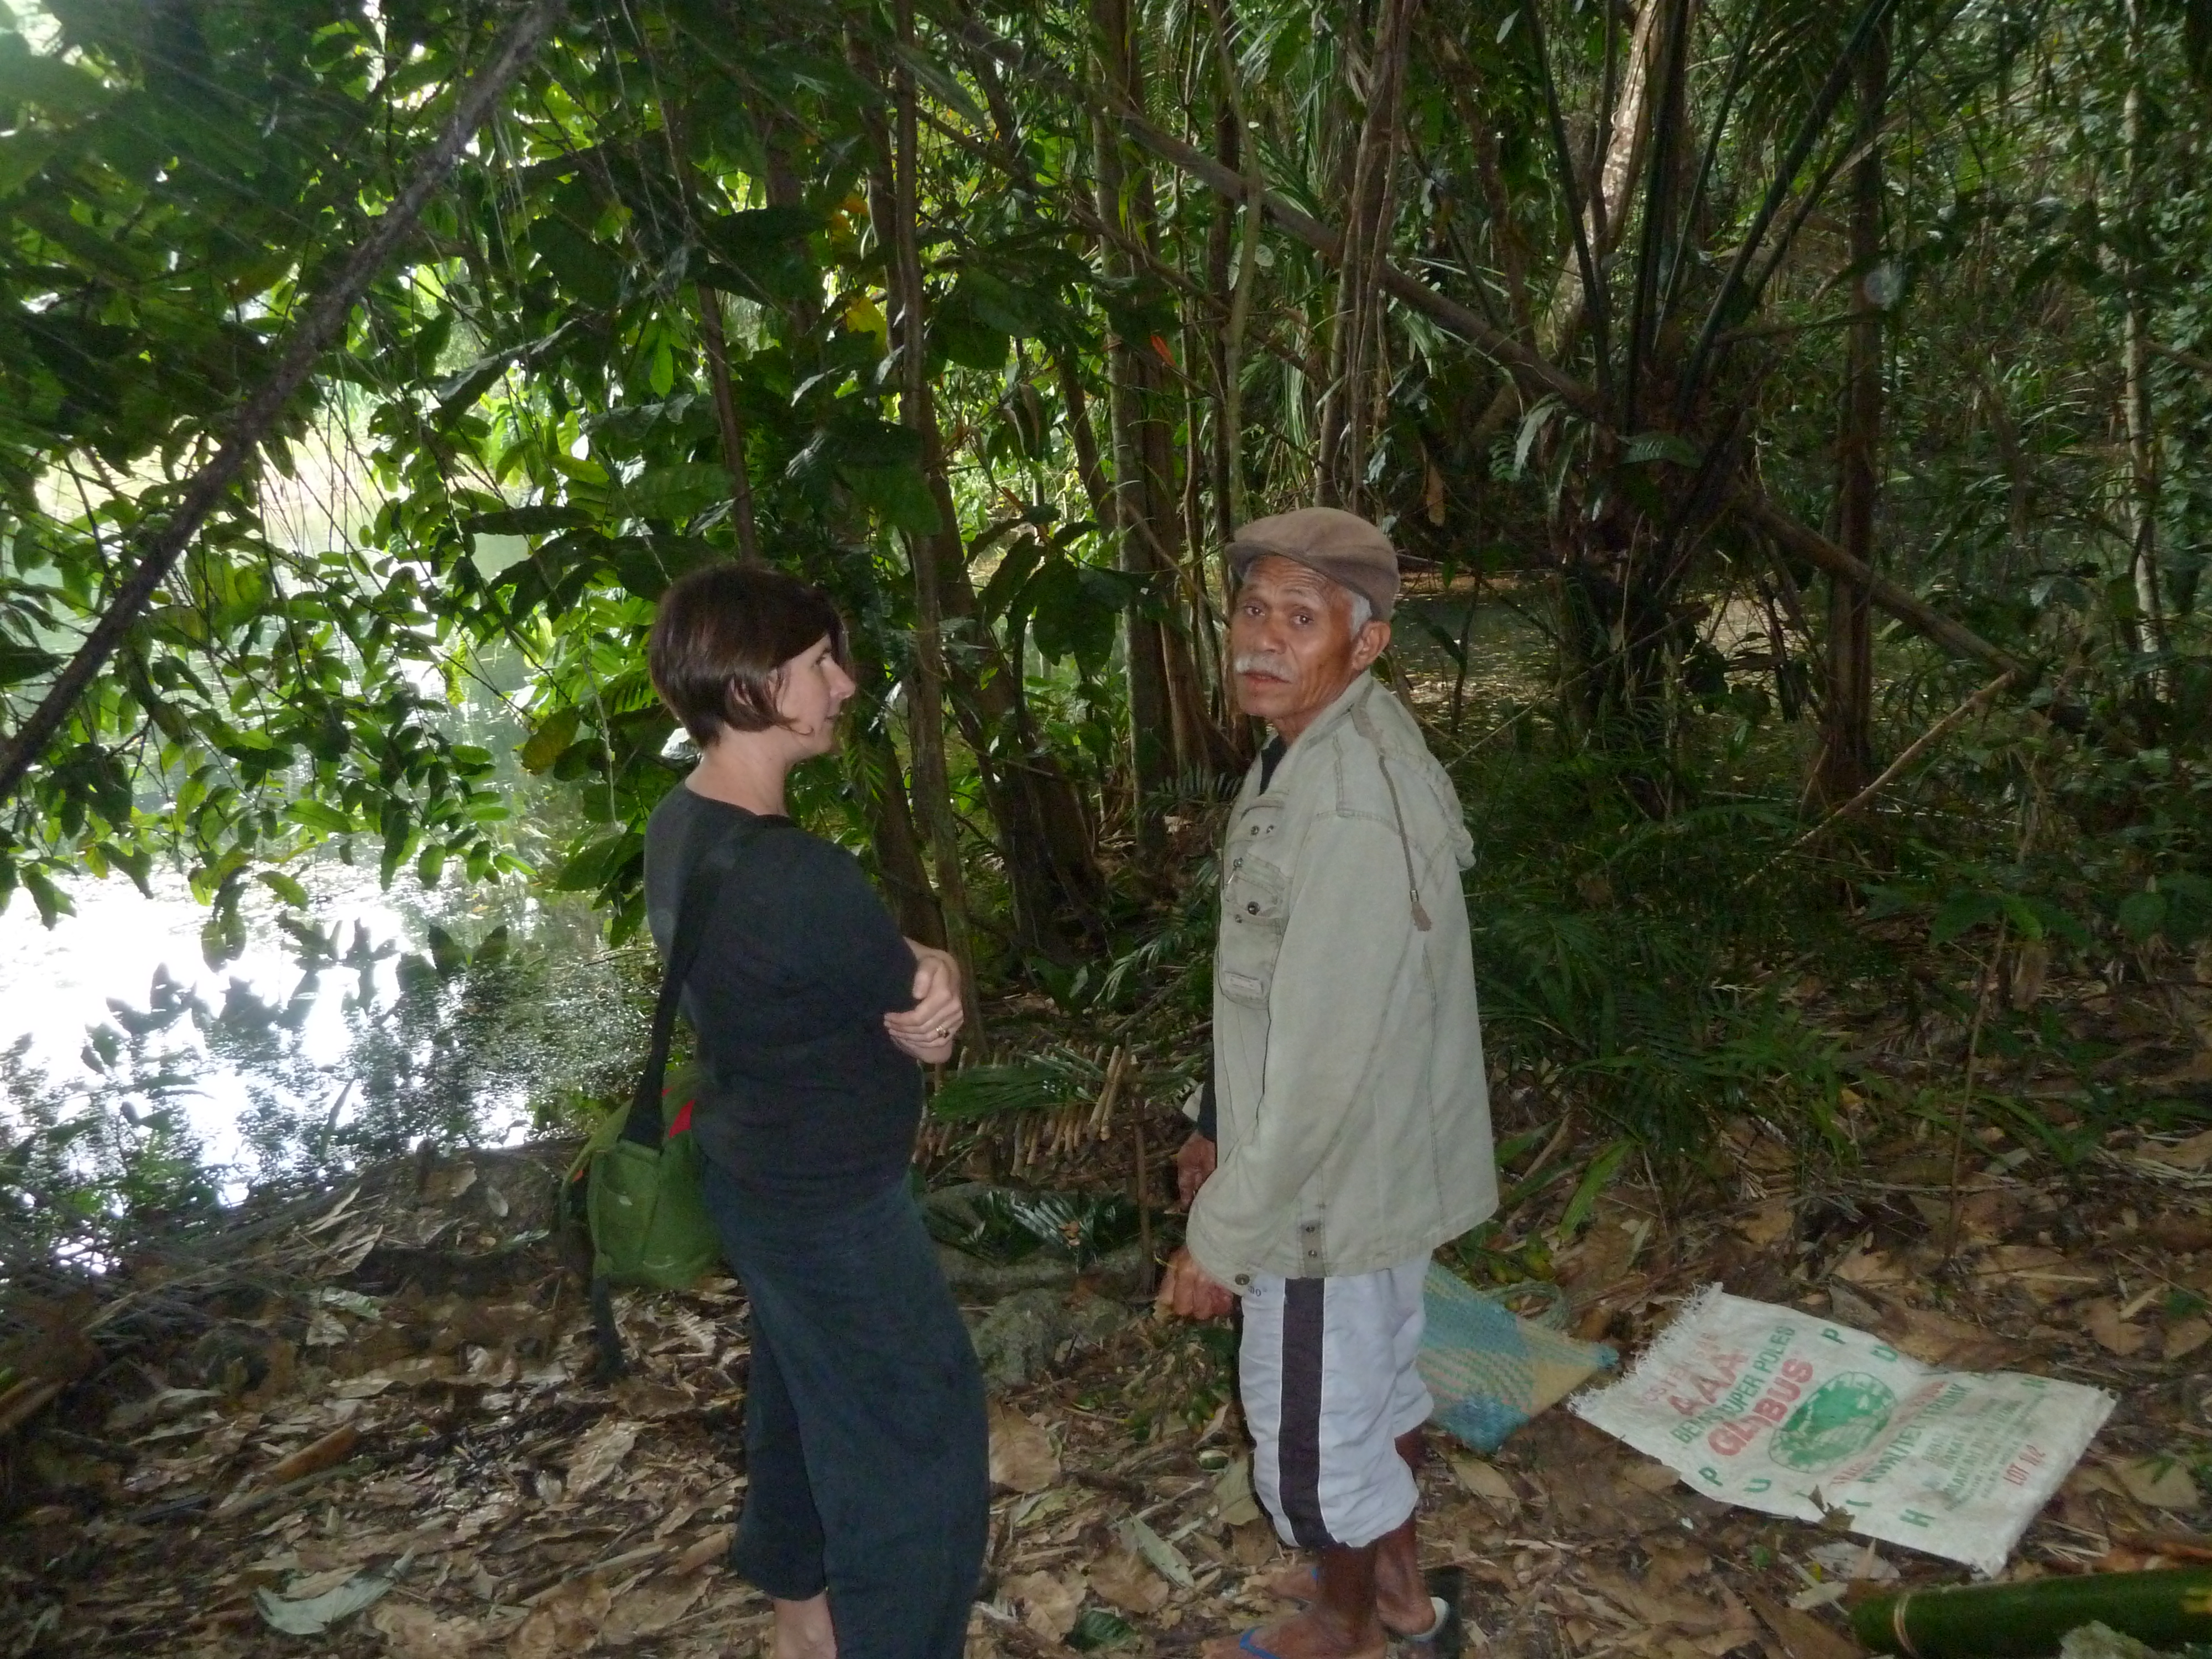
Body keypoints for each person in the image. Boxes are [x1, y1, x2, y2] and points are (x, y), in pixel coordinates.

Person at [1156, 508, 1498, 1659]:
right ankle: (1396, 1598)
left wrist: (1222, 1236)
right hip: (1377, 1162)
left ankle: (1343, 1630)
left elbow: (1320, 1066)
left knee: (1311, 1437)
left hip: (1326, 1193)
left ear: (1366, 643)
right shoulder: (1317, 746)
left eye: (1300, 618)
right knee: (1374, 1387)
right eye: (1253, 608)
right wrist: (1215, 1118)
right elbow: (1281, 990)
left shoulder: (1344, 801)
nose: (1263, 638)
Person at [642, 563, 988, 1659]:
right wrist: (938, 986)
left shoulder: (680, 826)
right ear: (753, 688)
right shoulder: (802, 876)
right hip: (834, 1208)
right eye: (819, 663)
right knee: (920, 1445)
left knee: (803, 1386)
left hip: (751, 1174)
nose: (843, 683)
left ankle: (803, 1616)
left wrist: (924, 975)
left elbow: (879, 972)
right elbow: (922, 1012)